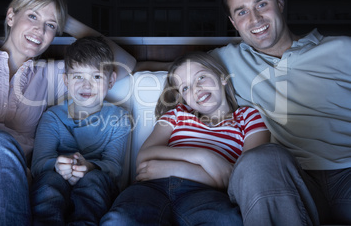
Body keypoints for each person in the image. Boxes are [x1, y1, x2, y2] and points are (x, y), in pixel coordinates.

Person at [0, 0, 136, 225]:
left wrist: (65, 21)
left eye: (50, 25)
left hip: (9, 176)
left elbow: (125, 63)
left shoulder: (49, 76)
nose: (40, 29)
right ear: (10, 16)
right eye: (33, 16)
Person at [206, 0, 351, 225]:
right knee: (257, 161)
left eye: (262, 4)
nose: (255, 19)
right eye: (242, 11)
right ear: (232, 22)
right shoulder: (226, 60)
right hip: (284, 180)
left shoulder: (342, 49)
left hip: (347, 173)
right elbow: (137, 66)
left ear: (280, 2)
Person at [101, 52, 270, 225]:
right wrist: (203, 157)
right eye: (185, 88)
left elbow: (246, 177)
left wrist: (177, 169)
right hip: (153, 188)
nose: (196, 89)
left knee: (227, 220)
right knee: (119, 220)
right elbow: (144, 157)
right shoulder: (177, 114)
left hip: (207, 194)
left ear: (222, 77)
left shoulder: (248, 117)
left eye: (201, 77)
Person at [30, 36, 131, 225]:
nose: (87, 85)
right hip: (57, 177)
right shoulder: (53, 117)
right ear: (66, 81)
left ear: (111, 81)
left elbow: (114, 167)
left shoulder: (119, 118)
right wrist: (59, 165)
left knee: (93, 182)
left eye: (97, 76)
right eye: (78, 77)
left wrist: (90, 167)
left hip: (97, 182)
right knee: (48, 184)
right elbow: (39, 164)